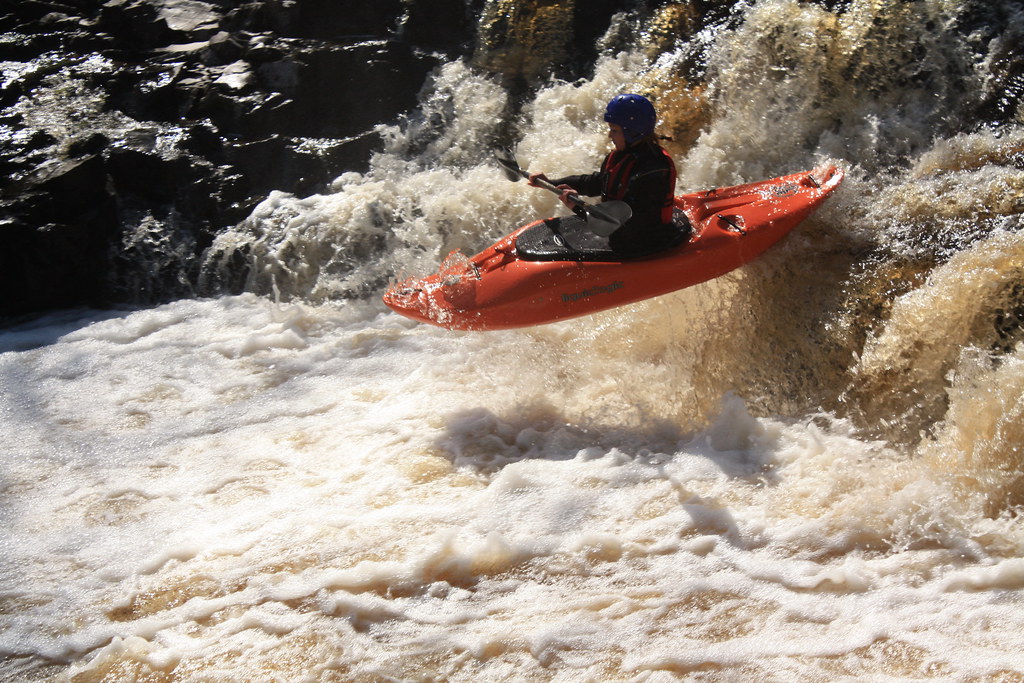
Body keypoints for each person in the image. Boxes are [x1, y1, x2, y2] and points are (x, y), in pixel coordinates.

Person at [528, 93, 680, 256]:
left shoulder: (653, 170)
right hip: (624, 235)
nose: (609, 135)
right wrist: (551, 183)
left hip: (645, 245)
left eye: (614, 130)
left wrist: (577, 207)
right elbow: (597, 182)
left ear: (632, 133)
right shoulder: (621, 156)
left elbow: (630, 224)